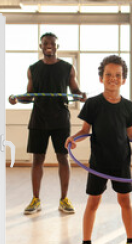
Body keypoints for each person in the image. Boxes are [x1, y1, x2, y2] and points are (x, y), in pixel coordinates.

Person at [65, 55, 132, 244]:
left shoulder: (128, 107)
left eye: (117, 75)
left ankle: (131, 241)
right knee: (93, 202)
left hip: (121, 162)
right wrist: (73, 139)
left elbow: (131, 135)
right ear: (101, 78)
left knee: (125, 201)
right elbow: (84, 130)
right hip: (99, 162)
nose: (113, 78)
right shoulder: (93, 104)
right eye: (108, 75)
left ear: (123, 79)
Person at [9, 32, 85, 215]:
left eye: (52, 43)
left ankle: (64, 199)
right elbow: (30, 96)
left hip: (60, 119)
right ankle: (36, 200)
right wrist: (17, 99)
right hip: (39, 119)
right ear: (41, 46)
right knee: (37, 160)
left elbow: (75, 91)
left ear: (57, 46)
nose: (49, 45)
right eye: (45, 43)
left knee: (63, 159)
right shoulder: (33, 69)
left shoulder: (67, 68)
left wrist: (81, 96)